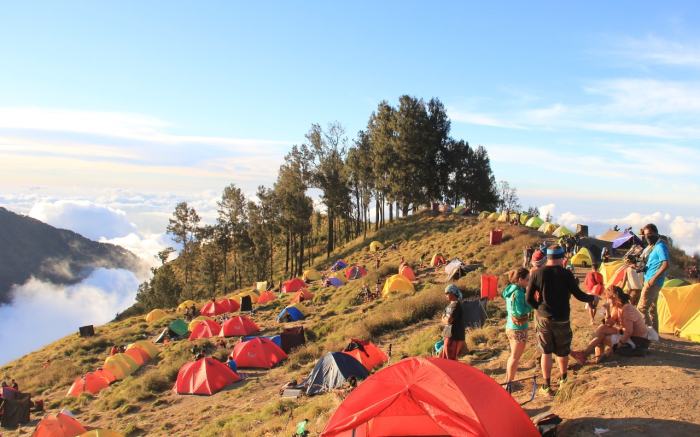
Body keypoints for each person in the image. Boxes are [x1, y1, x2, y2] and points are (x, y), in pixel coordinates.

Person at [526, 245, 598, 396]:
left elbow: (528, 299)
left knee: (546, 352)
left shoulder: (537, 273)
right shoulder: (566, 274)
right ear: (562, 257)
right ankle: (563, 380)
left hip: (544, 318)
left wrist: (539, 308)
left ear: (549, 257)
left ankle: (546, 386)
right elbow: (579, 295)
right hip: (562, 318)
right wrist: (592, 297)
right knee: (562, 351)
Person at [572, 286, 649, 364]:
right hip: (628, 335)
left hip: (638, 342)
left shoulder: (627, 309)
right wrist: (608, 310)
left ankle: (590, 356)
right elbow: (608, 324)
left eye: (608, 298)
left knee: (602, 337)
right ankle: (588, 356)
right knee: (602, 328)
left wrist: (615, 347)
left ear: (615, 297)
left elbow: (629, 332)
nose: (607, 301)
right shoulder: (617, 307)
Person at [502, 268, 533, 391]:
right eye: (527, 279)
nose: (528, 281)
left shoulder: (511, 290)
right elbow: (520, 311)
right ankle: (509, 383)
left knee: (512, 356)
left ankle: (508, 381)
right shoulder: (519, 293)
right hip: (518, 328)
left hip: (511, 326)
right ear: (520, 280)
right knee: (515, 357)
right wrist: (531, 305)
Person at [637, 224, 670, 332]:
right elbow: (653, 265)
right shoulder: (654, 247)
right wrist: (641, 268)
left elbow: (665, 264)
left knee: (641, 308)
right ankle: (655, 335)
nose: (647, 237)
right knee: (652, 309)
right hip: (650, 279)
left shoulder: (660, 246)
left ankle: (648, 335)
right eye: (646, 234)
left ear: (656, 233)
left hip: (653, 282)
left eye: (650, 234)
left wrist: (653, 278)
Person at [439, 284, 465, 360]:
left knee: (451, 360)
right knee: (445, 359)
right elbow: (443, 319)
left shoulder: (456, 305)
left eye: (447, 293)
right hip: (448, 335)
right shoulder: (448, 306)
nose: (445, 295)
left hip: (455, 337)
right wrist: (445, 319)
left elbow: (448, 320)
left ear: (452, 293)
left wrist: (445, 318)